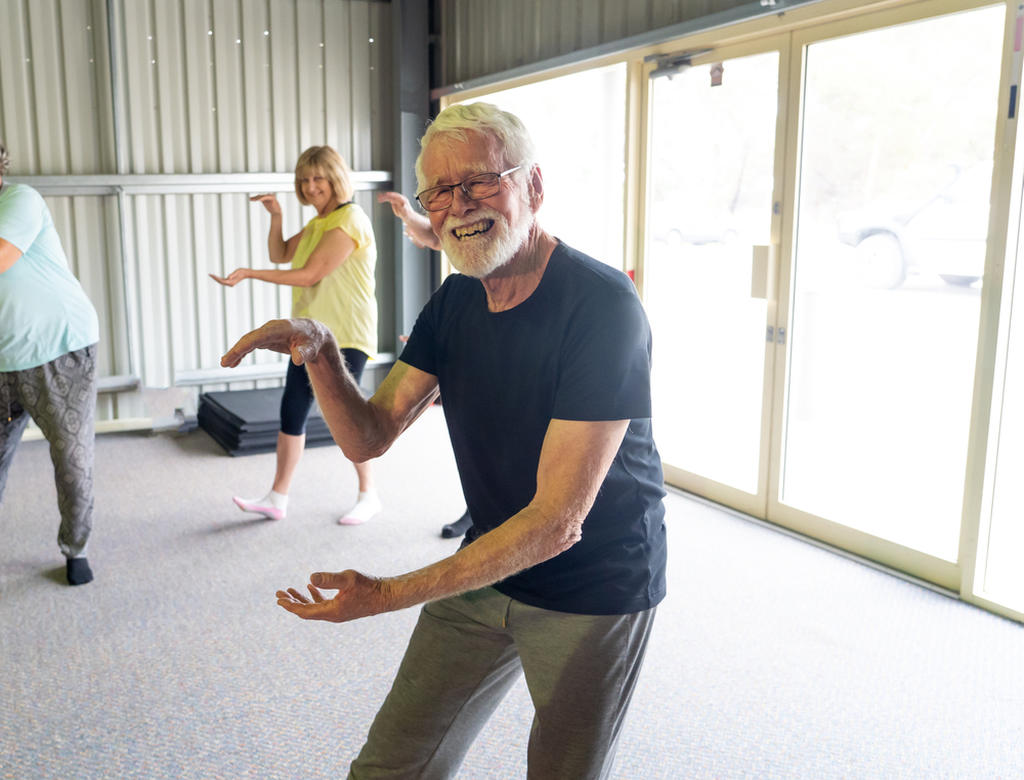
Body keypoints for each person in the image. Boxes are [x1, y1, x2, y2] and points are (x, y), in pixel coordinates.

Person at [221, 103, 667, 778]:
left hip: (596, 584)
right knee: (392, 765)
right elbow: (368, 438)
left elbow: (556, 523)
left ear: (533, 187)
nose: (458, 206)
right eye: (439, 191)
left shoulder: (602, 305)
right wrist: (318, 351)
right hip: (488, 558)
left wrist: (389, 593)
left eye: (480, 182)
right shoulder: (457, 300)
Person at [211, 145, 381, 526]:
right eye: (304, 179)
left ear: (335, 179)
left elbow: (309, 275)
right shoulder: (320, 222)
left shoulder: (348, 219)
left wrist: (249, 274)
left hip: (345, 333)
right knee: (293, 406)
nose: (311, 186)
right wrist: (277, 216)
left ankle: (369, 495)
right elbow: (282, 254)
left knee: (348, 419)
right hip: (309, 332)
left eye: (319, 177)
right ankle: (277, 497)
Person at [0, 140, 100, 586]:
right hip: (4, 358)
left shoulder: (20, 199)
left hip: (62, 350)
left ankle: (75, 547)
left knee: (71, 462)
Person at [378, 189, 473, 540]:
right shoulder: (459, 276)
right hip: (464, 335)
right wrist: (408, 216)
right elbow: (435, 236)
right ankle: (476, 508)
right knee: (469, 435)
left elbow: (434, 237)